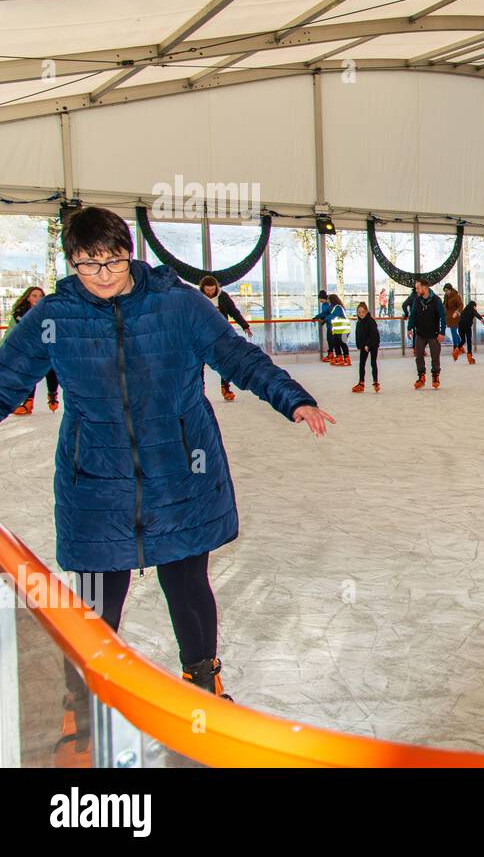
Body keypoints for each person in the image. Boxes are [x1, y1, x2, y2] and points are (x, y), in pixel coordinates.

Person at [0, 206, 334, 700]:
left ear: (129, 255)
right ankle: (86, 692)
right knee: (96, 600)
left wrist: (293, 398)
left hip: (179, 472)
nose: (102, 275)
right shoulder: (52, 317)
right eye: (88, 265)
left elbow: (236, 356)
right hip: (96, 480)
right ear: (71, 262)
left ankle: (203, 680)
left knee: (186, 583)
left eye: (112, 261)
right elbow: (6, 380)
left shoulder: (178, 305)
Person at [1, 286, 59, 414]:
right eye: (34, 295)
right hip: (27, 351)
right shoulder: (19, 315)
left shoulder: (49, 314)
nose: (38, 298)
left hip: (45, 349)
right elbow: (10, 333)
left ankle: (52, 395)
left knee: (50, 369)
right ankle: (28, 402)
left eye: (41, 296)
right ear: (28, 298)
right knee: (27, 373)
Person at [198, 276, 253, 402]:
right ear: (203, 288)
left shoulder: (223, 297)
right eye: (208, 290)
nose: (210, 292)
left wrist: (245, 326)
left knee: (224, 362)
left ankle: (226, 388)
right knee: (199, 364)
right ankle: (200, 391)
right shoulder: (197, 297)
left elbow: (234, 312)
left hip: (220, 335)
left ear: (216, 287)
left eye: (212, 290)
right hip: (200, 336)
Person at [406, 277, 446, 389]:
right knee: (418, 356)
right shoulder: (417, 301)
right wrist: (409, 328)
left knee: (435, 356)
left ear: (425, 287)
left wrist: (442, 332)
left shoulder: (436, 300)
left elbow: (443, 317)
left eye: (418, 288)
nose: (417, 290)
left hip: (434, 334)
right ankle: (421, 376)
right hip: (420, 334)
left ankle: (435, 376)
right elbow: (413, 315)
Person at [351, 301, 381, 393]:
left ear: (366, 311)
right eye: (359, 312)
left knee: (373, 362)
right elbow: (358, 335)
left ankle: (375, 382)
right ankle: (361, 383)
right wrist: (360, 345)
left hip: (373, 344)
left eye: (363, 312)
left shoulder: (371, 321)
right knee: (362, 364)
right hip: (364, 346)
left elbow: (373, 335)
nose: (361, 314)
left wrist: (368, 345)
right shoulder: (359, 322)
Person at [321, 293, 351, 366]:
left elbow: (333, 315)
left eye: (328, 300)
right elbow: (326, 313)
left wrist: (325, 320)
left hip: (344, 330)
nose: (328, 302)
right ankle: (339, 357)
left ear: (332, 300)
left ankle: (347, 358)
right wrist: (318, 317)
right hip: (337, 330)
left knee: (342, 343)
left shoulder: (338, 307)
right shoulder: (332, 308)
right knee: (335, 342)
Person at [443, 283, 465, 361]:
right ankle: (460, 346)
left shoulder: (456, 296)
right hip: (449, 317)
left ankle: (456, 348)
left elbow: (461, 305)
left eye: (447, 291)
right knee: (454, 333)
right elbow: (444, 305)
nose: (446, 292)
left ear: (450, 289)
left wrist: (456, 312)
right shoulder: (446, 296)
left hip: (455, 317)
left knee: (453, 332)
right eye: (445, 291)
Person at [461, 299, 484, 364]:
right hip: (467, 327)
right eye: (475, 306)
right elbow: (476, 314)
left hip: (460, 327)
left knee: (463, 340)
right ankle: (469, 358)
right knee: (469, 341)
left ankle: (456, 350)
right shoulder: (472, 309)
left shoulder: (464, 310)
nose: (475, 308)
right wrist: (481, 319)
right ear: (473, 306)